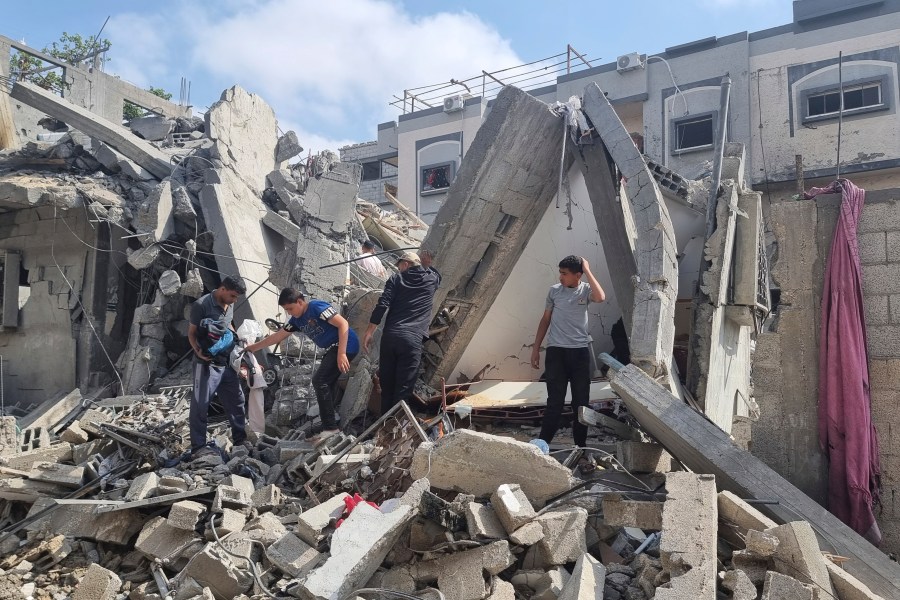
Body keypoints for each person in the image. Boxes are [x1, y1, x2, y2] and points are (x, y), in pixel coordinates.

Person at [244, 288, 359, 439]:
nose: (289, 313)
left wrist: (342, 353)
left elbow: (342, 324)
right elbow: (278, 336)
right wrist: (253, 348)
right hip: (333, 348)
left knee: (320, 380)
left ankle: (331, 428)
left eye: (290, 308)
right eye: (286, 310)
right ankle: (331, 421)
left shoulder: (316, 307)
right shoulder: (296, 321)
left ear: (300, 302)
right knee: (326, 383)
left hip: (345, 344)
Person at [530, 256, 606, 447]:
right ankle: (541, 446)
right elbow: (545, 320)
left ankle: (580, 449)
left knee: (581, 403)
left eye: (565, 273)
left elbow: (600, 297)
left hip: (579, 354)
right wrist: (536, 348)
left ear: (577, 275)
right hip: (557, 353)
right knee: (554, 401)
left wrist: (587, 270)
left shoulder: (586, 290)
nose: (561, 277)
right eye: (560, 272)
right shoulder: (554, 291)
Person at [362, 250, 440, 414]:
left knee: (387, 386)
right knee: (403, 391)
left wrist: (369, 331)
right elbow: (437, 275)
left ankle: (381, 428)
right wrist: (426, 265)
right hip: (412, 340)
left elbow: (382, 304)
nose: (399, 270)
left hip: (391, 337)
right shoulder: (431, 279)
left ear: (405, 264)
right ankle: (392, 431)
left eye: (399, 267)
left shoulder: (396, 279)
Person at [188, 275, 249, 458]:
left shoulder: (228, 305)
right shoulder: (201, 305)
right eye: (232, 296)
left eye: (237, 297)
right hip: (206, 364)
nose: (234, 300)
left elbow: (227, 324)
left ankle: (240, 439)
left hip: (226, 363)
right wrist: (197, 351)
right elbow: (191, 333)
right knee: (201, 405)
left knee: (237, 400)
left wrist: (236, 344)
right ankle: (198, 447)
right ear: (222, 289)